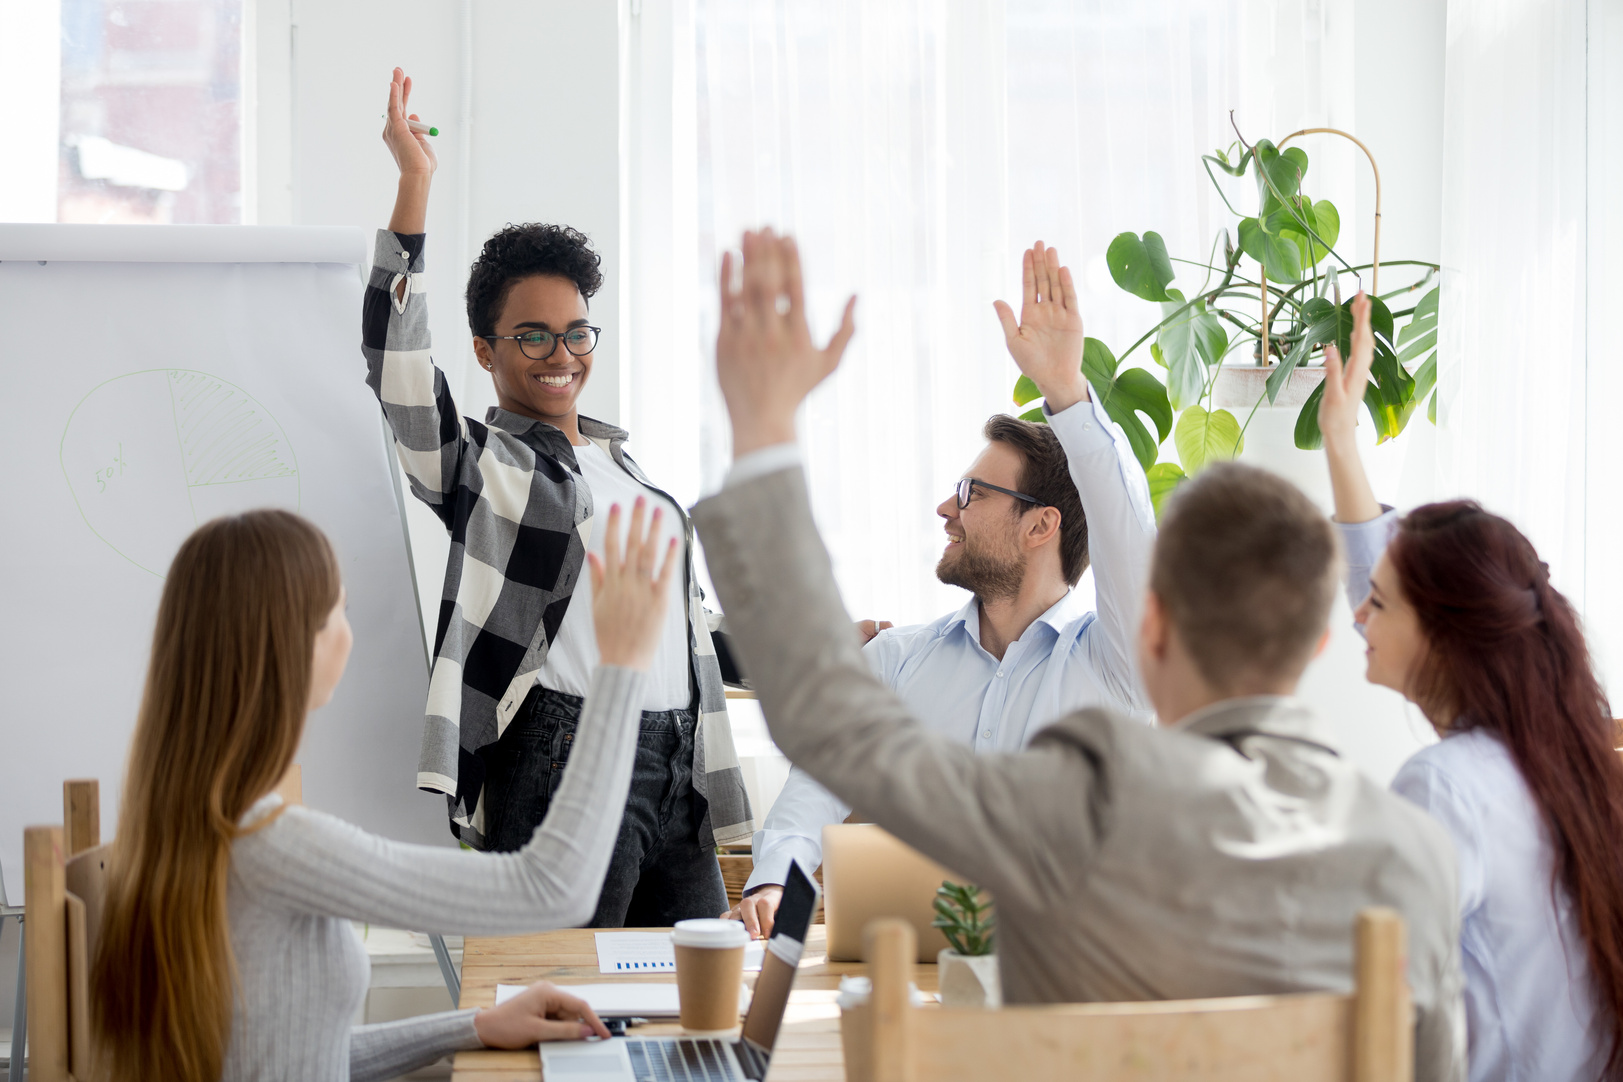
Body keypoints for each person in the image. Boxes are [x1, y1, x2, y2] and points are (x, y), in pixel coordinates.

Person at [690, 229, 1467, 1081]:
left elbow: (827, 723)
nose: (947, 509)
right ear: (1320, 641)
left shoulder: (1075, 803)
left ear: (1151, 627)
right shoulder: (1414, 854)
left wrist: (763, 432)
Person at [90, 501, 676, 1082]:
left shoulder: (184, 829)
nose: (348, 631)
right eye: (338, 611)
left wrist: (474, 1026)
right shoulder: (274, 844)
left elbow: (303, 1055)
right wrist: (622, 668)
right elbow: (554, 888)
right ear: (295, 645)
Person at [364, 68, 754, 926]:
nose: (561, 354)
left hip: (680, 763)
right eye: (532, 335)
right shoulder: (483, 465)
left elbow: (681, 628)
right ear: (484, 350)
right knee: (565, 992)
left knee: (691, 991)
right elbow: (396, 367)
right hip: (562, 753)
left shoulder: (628, 471)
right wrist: (415, 184)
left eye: (576, 332)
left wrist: (813, 649)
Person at [727, 241, 1156, 938]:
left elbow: (1130, 541)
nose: (944, 509)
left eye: (970, 493)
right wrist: (777, 880)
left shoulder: (1114, 666)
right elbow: (816, 785)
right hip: (913, 975)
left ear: (1040, 526)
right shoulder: (896, 662)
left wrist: (1066, 392)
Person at [1321, 292, 1623, 1082]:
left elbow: (1362, 995)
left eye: (1377, 605)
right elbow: (1397, 581)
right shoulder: (1556, 753)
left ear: (1446, 635)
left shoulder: (1445, 785)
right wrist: (1341, 444)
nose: (1357, 615)